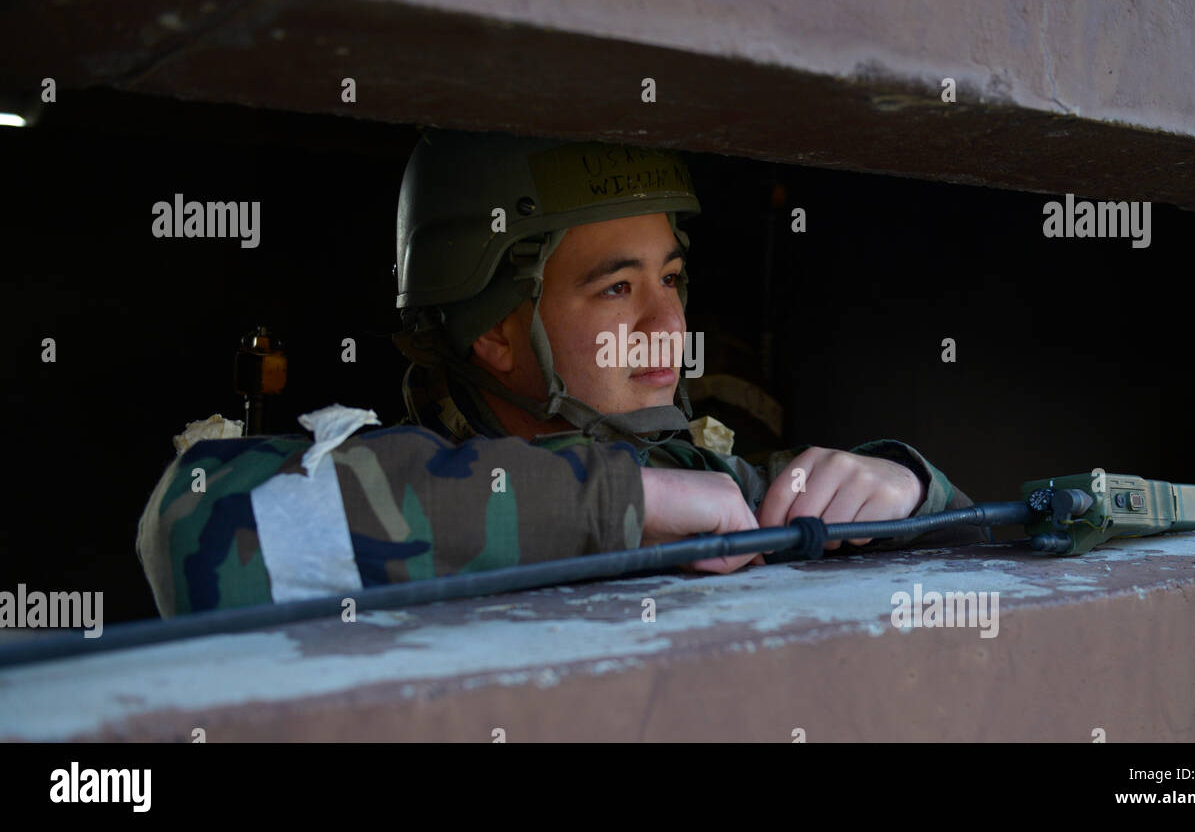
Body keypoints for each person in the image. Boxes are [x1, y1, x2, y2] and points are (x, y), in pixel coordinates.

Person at [135, 132, 981, 618]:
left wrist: (907, 486)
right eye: (617, 287)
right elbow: (190, 525)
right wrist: (617, 504)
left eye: (672, 280)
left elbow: (993, 546)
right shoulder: (396, 479)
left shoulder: (706, 478)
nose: (670, 326)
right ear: (496, 333)